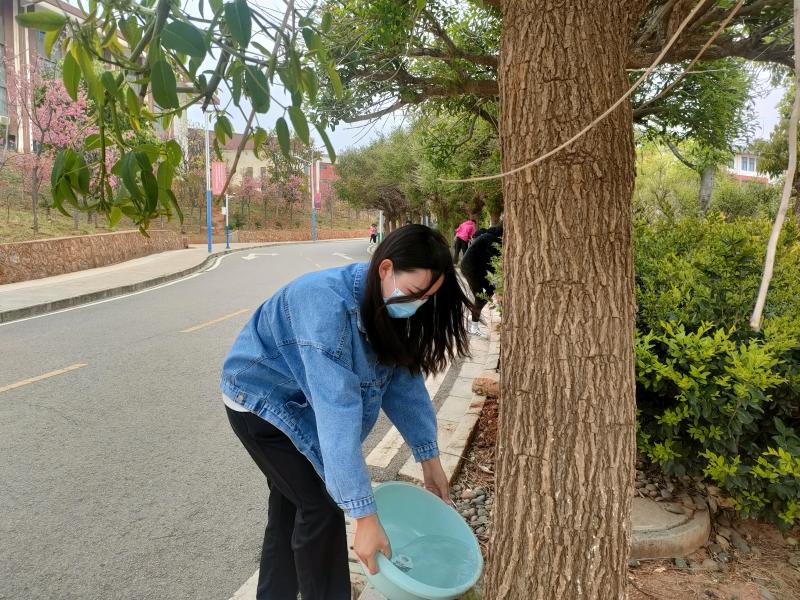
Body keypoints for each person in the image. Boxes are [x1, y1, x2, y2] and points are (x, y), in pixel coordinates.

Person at [220, 225, 472, 600]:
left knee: (292, 504)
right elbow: (337, 413)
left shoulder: (387, 302)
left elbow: (404, 384)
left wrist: (429, 459)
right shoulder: (325, 307)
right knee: (321, 506)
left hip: (303, 402)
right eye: (415, 293)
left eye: (427, 298)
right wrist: (364, 516)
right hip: (260, 403)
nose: (418, 304)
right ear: (385, 269)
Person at [460, 224, 503, 336]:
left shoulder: (487, 237)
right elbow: (494, 261)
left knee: (490, 289)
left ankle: (475, 311)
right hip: (471, 269)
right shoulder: (490, 239)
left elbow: (489, 262)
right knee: (479, 297)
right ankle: (473, 327)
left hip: (475, 268)